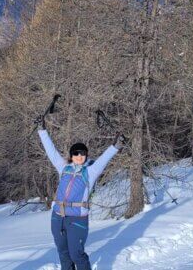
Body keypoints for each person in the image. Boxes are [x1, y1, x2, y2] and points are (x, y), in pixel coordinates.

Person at [36, 115, 124, 270]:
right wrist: (42, 130)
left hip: (77, 219)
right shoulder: (63, 167)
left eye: (82, 153)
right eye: (76, 153)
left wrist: (115, 147)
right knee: (63, 254)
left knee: (76, 254)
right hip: (57, 217)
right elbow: (51, 151)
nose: (79, 156)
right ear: (71, 156)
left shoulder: (90, 172)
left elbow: (103, 160)